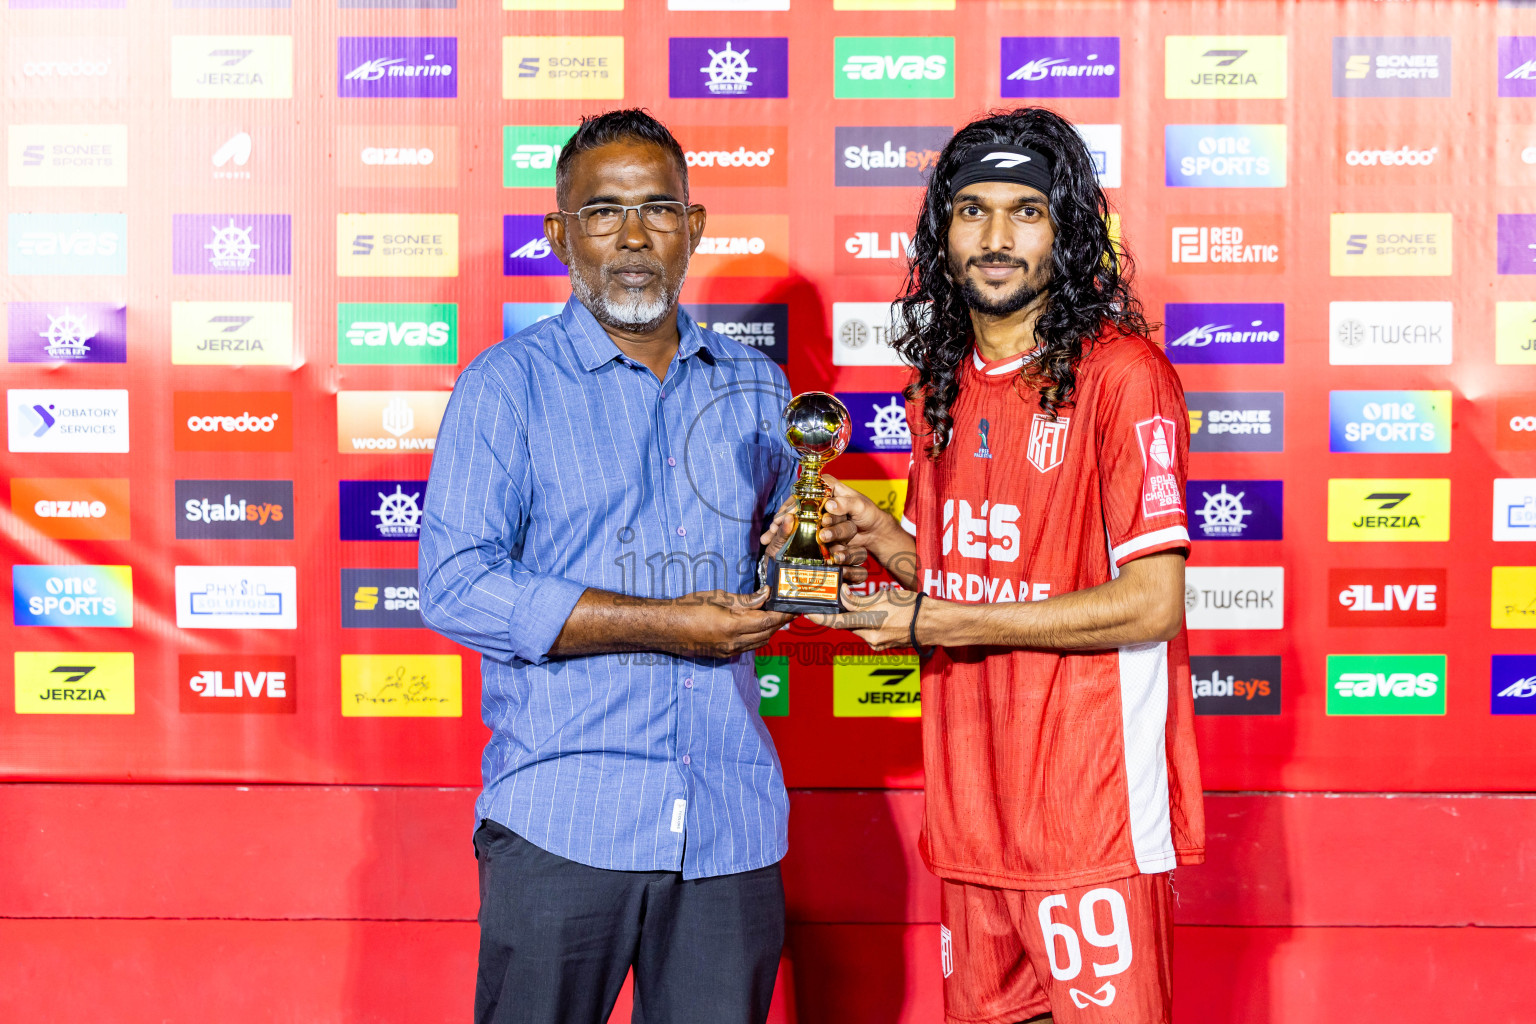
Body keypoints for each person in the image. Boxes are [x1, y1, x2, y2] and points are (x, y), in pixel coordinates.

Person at [810, 107, 1205, 1024]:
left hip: (1089, 820)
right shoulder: (938, 385)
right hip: (971, 823)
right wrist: (886, 542)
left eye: (1026, 211)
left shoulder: (1123, 374)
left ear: (1066, 230)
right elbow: (982, 580)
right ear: (940, 231)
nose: (995, 237)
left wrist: (940, 623)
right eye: (972, 209)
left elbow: (1152, 603)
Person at [418, 108, 799, 1024]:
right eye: (603, 213)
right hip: (563, 820)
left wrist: (818, 556)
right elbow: (456, 584)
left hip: (726, 825)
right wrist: (667, 623)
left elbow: (792, 567)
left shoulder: (760, 389)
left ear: (694, 228)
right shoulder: (505, 386)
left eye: (659, 209)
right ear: (561, 235)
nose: (632, 238)